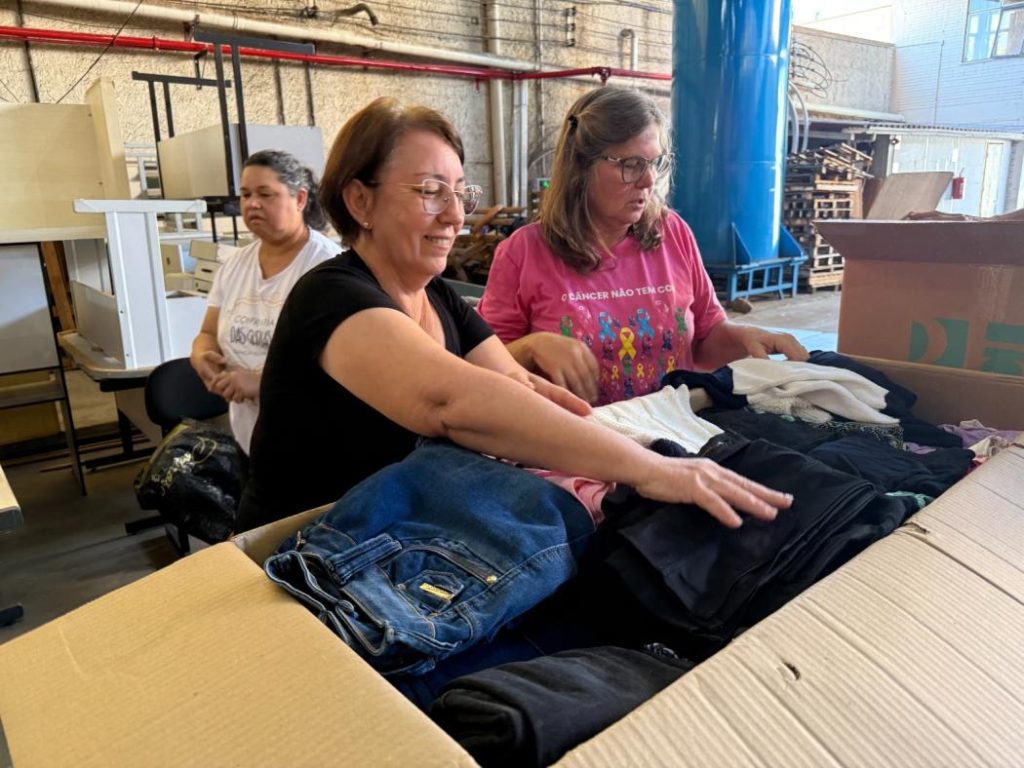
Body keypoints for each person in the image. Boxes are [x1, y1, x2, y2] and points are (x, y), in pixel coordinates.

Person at [237, 97, 792, 533]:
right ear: (359, 201)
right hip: (305, 557)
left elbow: (518, 387)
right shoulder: (332, 298)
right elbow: (454, 403)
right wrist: (650, 469)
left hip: (399, 537)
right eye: (431, 192)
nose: (455, 215)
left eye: (460, 192)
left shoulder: (437, 298)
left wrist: (639, 441)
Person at [477, 86, 808, 406]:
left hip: (675, 426)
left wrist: (745, 338)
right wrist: (532, 347)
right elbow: (480, 366)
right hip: (577, 443)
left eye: (655, 163)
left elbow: (706, 336)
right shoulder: (524, 252)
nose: (649, 181)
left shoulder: (672, 233)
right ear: (581, 167)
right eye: (631, 165)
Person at [190, 150, 339, 454]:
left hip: (313, 445)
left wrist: (262, 383)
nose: (252, 203)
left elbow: (344, 369)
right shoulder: (233, 266)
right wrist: (202, 355)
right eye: (245, 195)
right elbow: (206, 333)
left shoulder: (329, 269)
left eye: (265, 194)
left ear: (299, 199)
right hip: (252, 441)